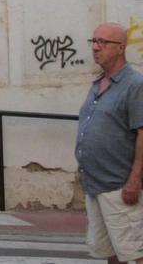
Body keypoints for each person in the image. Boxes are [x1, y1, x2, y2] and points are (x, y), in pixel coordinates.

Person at [75, 22, 143, 264]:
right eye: (93, 41)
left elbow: (142, 133)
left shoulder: (134, 84)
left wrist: (135, 179)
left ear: (121, 48)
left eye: (103, 42)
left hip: (119, 185)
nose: (95, 47)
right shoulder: (98, 84)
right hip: (95, 184)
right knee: (109, 252)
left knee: (133, 252)